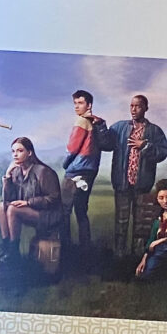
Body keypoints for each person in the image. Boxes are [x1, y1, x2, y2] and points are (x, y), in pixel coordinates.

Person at [98, 93, 167, 258]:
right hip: (122, 184)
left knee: (141, 225)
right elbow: (105, 144)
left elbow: (162, 153)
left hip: (142, 186)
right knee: (121, 223)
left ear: (145, 108)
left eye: (137, 106)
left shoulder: (154, 131)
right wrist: (101, 127)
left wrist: (145, 145)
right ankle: (119, 257)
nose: (134, 109)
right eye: (131, 106)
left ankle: (138, 258)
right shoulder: (119, 128)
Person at [0, 137, 63, 259]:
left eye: (20, 151)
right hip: (29, 212)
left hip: (48, 214)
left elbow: (53, 199)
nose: (15, 155)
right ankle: (6, 247)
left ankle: (13, 252)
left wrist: (28, 202)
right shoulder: (16, 172)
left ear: (30, 153)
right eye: (13, 151)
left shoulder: (43, 172)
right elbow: (7, 198)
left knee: (12, 209)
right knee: (2, 206)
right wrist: (7, 177)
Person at [62, 89, 107, 248]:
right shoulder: (96, 122)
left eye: (80, 103)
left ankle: (65, 247)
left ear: (89, 105)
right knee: (81, 211)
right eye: (75, 103)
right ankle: (84, 249)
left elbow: (72, 148)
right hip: (90, 170)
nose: (76, 107)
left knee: (65, 210)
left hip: (76, 169)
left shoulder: (81, 121)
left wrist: (65, 163)